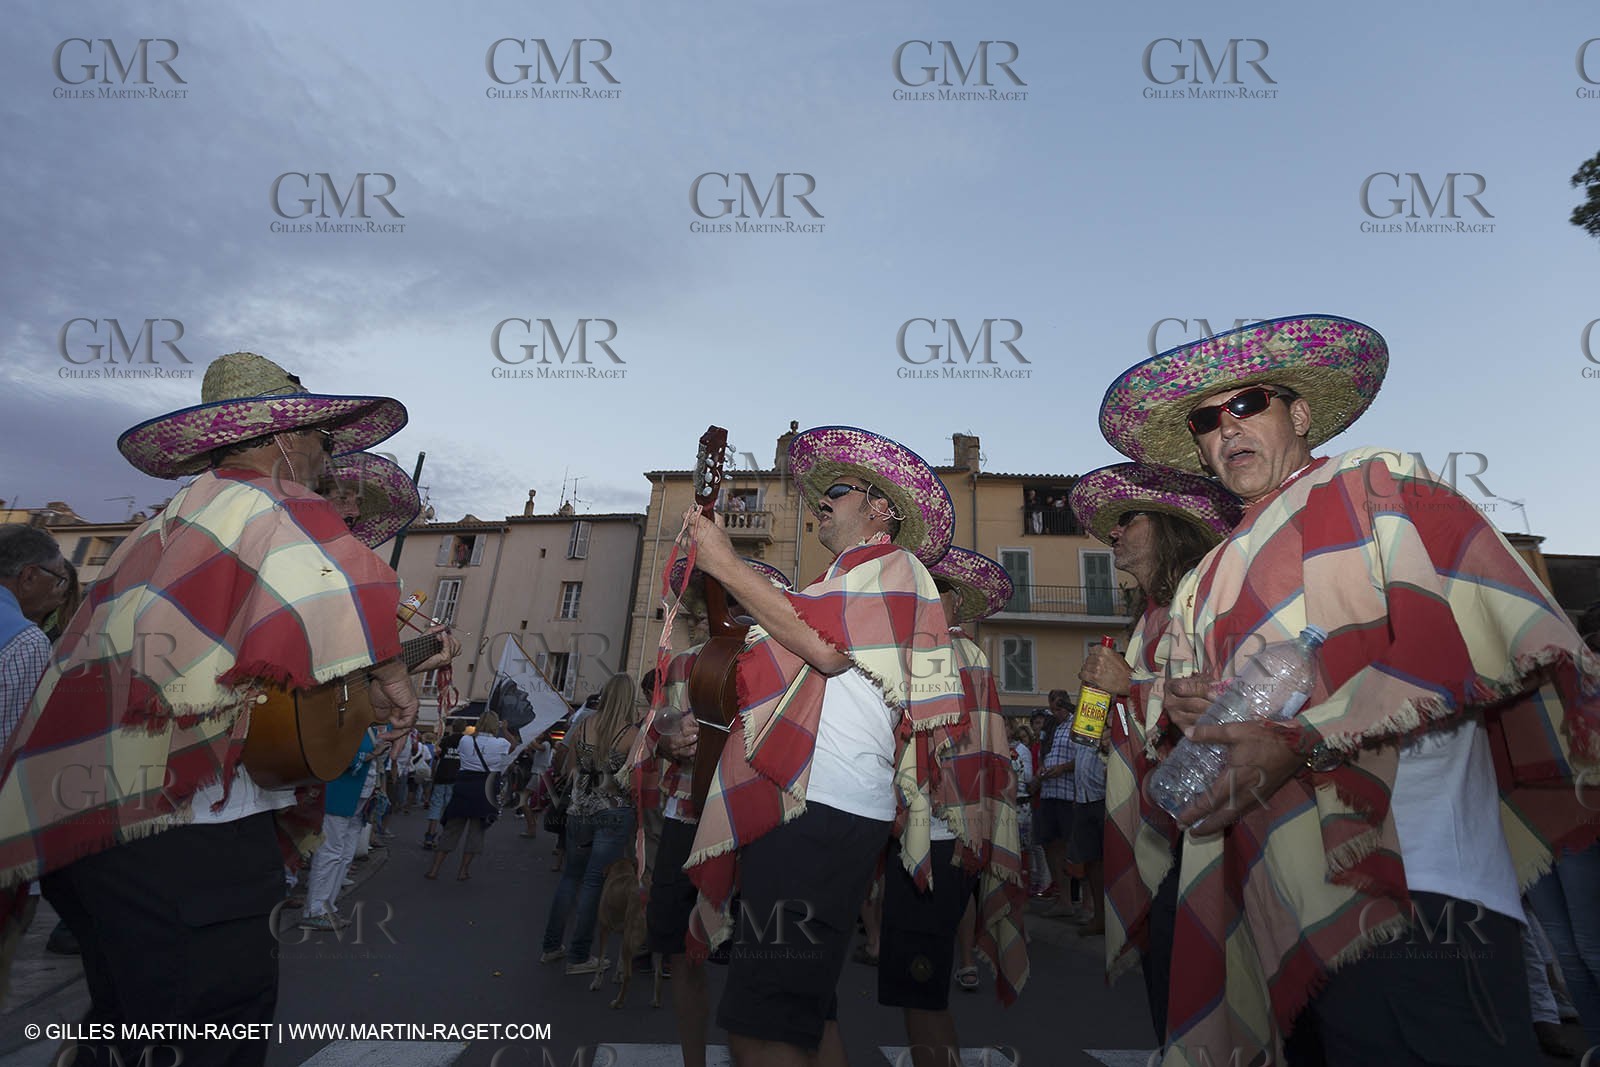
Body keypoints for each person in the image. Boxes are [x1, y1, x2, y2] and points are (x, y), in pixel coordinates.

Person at [1098, 314, 1600, 1066]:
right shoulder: (1208, 575)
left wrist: (1297, 739)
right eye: (1207, 419)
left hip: (1420, 886)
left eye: (1250, 403)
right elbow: (1210, 711)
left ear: (1299, 414)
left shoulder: (1377, 483)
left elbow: (1468, 637)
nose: (1226, 426)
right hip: (1285, 910)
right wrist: (1187, 706)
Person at [0, 352, 415, 1067]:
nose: (329, 458)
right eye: (321, 439)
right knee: (212, 1032)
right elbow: (344, 582)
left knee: (132, 1029)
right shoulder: (261, 501)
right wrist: (397, 670)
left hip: (99, 830)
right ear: (283, 439)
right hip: (182, 835)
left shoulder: (174, 523)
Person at [680, 425, 965, 1067]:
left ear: (880, 507)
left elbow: (823, 649)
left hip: (818, 811)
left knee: (762, 1027)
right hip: (824, 811)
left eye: (834, 492)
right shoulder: (843, 578)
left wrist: (724, 562)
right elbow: (788, 636)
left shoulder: (890, 564)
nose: (820, 507)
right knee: (808, 1015)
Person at [1068, 461, 1241, 1045]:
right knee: (1172, 992)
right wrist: (1120, 690)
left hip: (1211, 838)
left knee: (1195, 998)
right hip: (1171, 830)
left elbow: (1236, 701)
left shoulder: (1207, 598)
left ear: (1169, 525)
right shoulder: (1148, 618)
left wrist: (1131, 686)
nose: (1112, 534)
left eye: (1126, 521)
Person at [633, 560, 792, 1067]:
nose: (735, 611)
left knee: (762, 958)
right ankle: (696, 1060)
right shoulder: (684, 663)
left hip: (762, 827)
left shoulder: (789, 667)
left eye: (745, 601)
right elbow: (646, 735)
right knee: (683, 953)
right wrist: (666, 739)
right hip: (690, 820)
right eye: (726, 600)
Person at [876, 547, 1028, 1067]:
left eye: (931, 591)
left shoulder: (935, 657)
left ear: (954, 602)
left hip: (932, 838)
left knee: (919, 992)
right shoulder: (973, 659)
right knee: (926, 989)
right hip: (953, 838)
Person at [541, 672, 641, 973]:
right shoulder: (631, 735)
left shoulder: (584, 725)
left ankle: (550, 946)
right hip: (613, 812)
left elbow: (569, 769)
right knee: (594, 882)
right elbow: (635, 780)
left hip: (579, 810)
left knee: (570, 878)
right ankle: (579, 955)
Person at [0, 526, 66, 750]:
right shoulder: (26, 641)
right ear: (28, 576)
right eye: (58, 579)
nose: (58, 591)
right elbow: (9, 744)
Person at [426, 712, 511, 881]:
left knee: (452, 828)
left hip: (464, 786)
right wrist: (505, 729)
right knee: (476, 832)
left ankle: (435, 869)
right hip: (484, 789)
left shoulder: (466, 740)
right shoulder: (501, 743)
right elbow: (514, 745)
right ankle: (463, 870)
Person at [1034, 690, 1077, 913]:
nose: (1056, 712)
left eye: (1059, 708)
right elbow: (1044, 754)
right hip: (1049, 792)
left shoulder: (1076, 724)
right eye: (1053, 708)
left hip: (1069, 793)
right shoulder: (1051, 727)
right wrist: (1042, 768)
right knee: (1050, 845)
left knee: (1072, 847)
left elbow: (1083, 757)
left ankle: (1081, 902)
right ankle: (1064, 900)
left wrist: (1062, 768)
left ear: (1067, 705)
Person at [425, 722, 464, 849]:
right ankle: (444, 836)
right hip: (456, 777)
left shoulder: (446, 740)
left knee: (436, 805)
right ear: (464, 728)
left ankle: (430, 835)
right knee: (450, 808)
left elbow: (438, 756)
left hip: (442, 776)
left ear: (453, 728)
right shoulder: (466, 742)